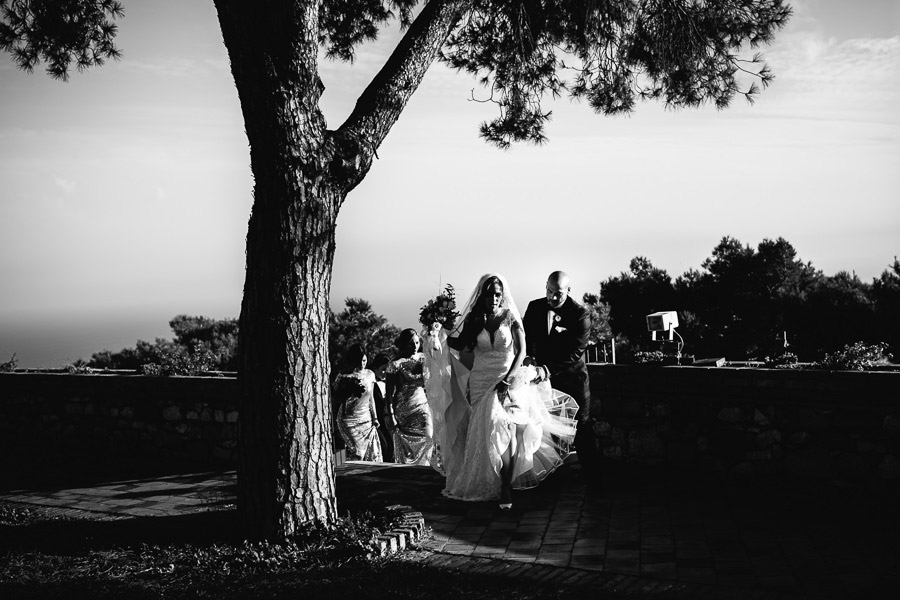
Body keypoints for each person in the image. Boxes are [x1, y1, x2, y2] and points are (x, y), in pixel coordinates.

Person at [441, 273, 578, 509]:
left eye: (497, 294)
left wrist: (507, 381)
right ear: (482, 296)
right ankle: (488, 479)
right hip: (480, 380)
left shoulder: (511, 318)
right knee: (485, 430)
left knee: (506, 426)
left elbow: (521, 352)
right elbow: (462, 345)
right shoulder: (475, 319)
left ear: (502, 296)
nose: (494, 298)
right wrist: (438, 331)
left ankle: (505, 486)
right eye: (490, 294)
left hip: (508, 378)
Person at [523, 270, 600, 482]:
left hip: (573, 380)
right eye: (549, 291)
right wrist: (529, 357)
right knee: (545, 430)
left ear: (568, 290)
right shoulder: (534, 307)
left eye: (558, 293)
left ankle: (594, 480)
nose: (552, 297)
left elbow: (574, 353)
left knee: (582, 428)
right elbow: (528, 339)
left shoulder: (580, 315)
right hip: (543, 384)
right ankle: (549, 479)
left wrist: (546, 369)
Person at [385, 329, 434, 465]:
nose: (415, 347)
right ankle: (408, 470)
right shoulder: (395, 364)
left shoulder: (424, 359)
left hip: (422, 405)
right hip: (404, 409)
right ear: (403, 345)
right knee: (407, 446)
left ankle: (424, 467)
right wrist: (391, 416)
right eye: (411, 344)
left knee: (429, 436)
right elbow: (389, 394)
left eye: (417, 343)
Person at [331, 343, 383, 462]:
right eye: (358, 361)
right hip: (347, 419)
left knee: (372, 453)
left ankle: (365, 477)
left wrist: (375, 418)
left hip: (366, 419)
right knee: (356, 452)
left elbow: (371, 398)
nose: (361, 364)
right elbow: (335, 400)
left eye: (364, 360)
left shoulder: (370, 374)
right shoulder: (343, 376)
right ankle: (337, 469)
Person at [370, 353, 395, 462]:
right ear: (375, 369)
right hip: (377, 421)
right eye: (382, 369)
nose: (385, 372)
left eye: (387, 369)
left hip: (388, 420)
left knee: (392, 447)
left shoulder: (389, 384)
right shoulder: (371, 384)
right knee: (384, 447)